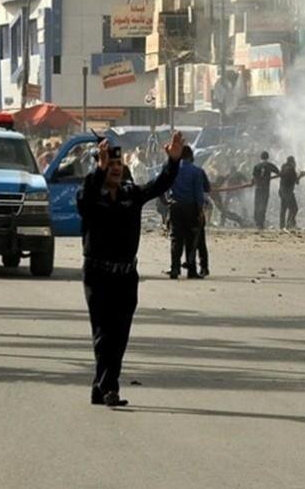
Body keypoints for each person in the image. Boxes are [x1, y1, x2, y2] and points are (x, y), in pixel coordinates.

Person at [76, 131, 183, 407]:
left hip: (125, 276)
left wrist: (173, 160)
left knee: (119, 334)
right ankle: (109, 387)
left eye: (117, 165)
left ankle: (100, 388)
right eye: (109, 165)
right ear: (100, 167)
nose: (114, 169)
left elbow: (159, 185)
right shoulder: (90, 195)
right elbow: (85, 200)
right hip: (98, 275)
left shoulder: (131, 194)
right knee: (103, 334)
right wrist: (99, 170)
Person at [168, 145, 207, 279]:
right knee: (191, 238)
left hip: (175, 206)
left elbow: (161, 185)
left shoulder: (171, 170)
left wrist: (166, 201)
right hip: (191, 208)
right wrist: (200, 210)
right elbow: (199, 193)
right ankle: (191, 270)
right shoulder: (196, 171)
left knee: (176, 238)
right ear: (191, 156)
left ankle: (175, 268)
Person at [252, 151, 280, 229]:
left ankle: (257, 221)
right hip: (265, 188)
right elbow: (278, 172)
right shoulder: (269, 165)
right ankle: (261, 222)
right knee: (263, 205)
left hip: (258, 188)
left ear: (260, 157)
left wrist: (256, 181)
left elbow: (254, 177)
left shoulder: (257, 166)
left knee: (257, 204)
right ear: (268, 157)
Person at [278, 156, 305, 231]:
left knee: (283, 208)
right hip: (288, 192)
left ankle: (282, 225)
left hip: (281, 191)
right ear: (292, 162)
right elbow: (296, 181)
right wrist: (301, 175)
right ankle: (290, 224)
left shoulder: (284, 167)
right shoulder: (291, 169)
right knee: (294, 208)